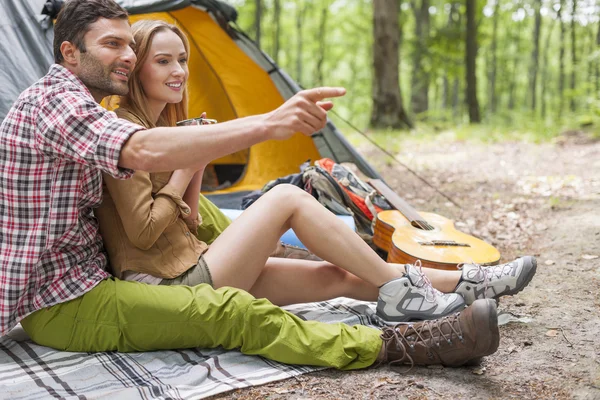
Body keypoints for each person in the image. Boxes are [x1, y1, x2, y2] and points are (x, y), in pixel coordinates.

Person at [0, 0, 533, 371]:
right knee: (241, 306)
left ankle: (465, 284)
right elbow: (138, 161)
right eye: (112, 45)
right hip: (63, 301)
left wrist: (195, 173)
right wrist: (269, 124)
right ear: (70, 53)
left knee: (331, 276)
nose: (125, 57)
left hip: (108, 275)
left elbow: (179, 208)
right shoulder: (57, 103)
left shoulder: (91, 107)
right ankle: (404, 345)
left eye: (128, 46)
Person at [96, 19, 536, 315]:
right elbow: (142, 232)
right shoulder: (124, 131)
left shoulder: (165, 127)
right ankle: (402, 289)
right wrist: (185, 162)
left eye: (183, 59)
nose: (179, 71)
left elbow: (187, 225)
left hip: (195, 263)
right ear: (136, 69)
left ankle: (470, 282)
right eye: (163, 61)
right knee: (286, 196)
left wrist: (195, 163)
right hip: (166, 287)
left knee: (339, 275)